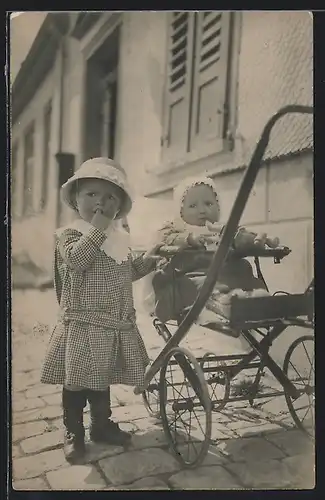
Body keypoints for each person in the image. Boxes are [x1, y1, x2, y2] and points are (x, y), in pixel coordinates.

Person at [40, 157, 159, 463]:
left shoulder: (119, 239)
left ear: (119, 206)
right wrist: (98, 230)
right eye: (91, 194)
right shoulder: (69, 235)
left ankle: (101, 425)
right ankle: (73, 430)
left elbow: (126, 272)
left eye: (110, 197)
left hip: (111, 325)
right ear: (76, 198)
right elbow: (78, 261)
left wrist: (153, 259)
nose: (100, 203)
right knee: (77, 379)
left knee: (101, 377)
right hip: (82, 324)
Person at [150, 176, 280, 325]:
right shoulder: (177, 228)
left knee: (244, 267)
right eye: (193, 206)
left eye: (208, 203)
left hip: (228, 272)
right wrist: (189, 239)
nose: (202, 210)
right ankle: (225, 301)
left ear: (218, 207)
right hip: (193, 276)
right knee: (205, 283)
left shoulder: (221, 228)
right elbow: (165, 238)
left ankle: (256, 298)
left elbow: (239, 237)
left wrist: (256, 240)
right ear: (180, 212)